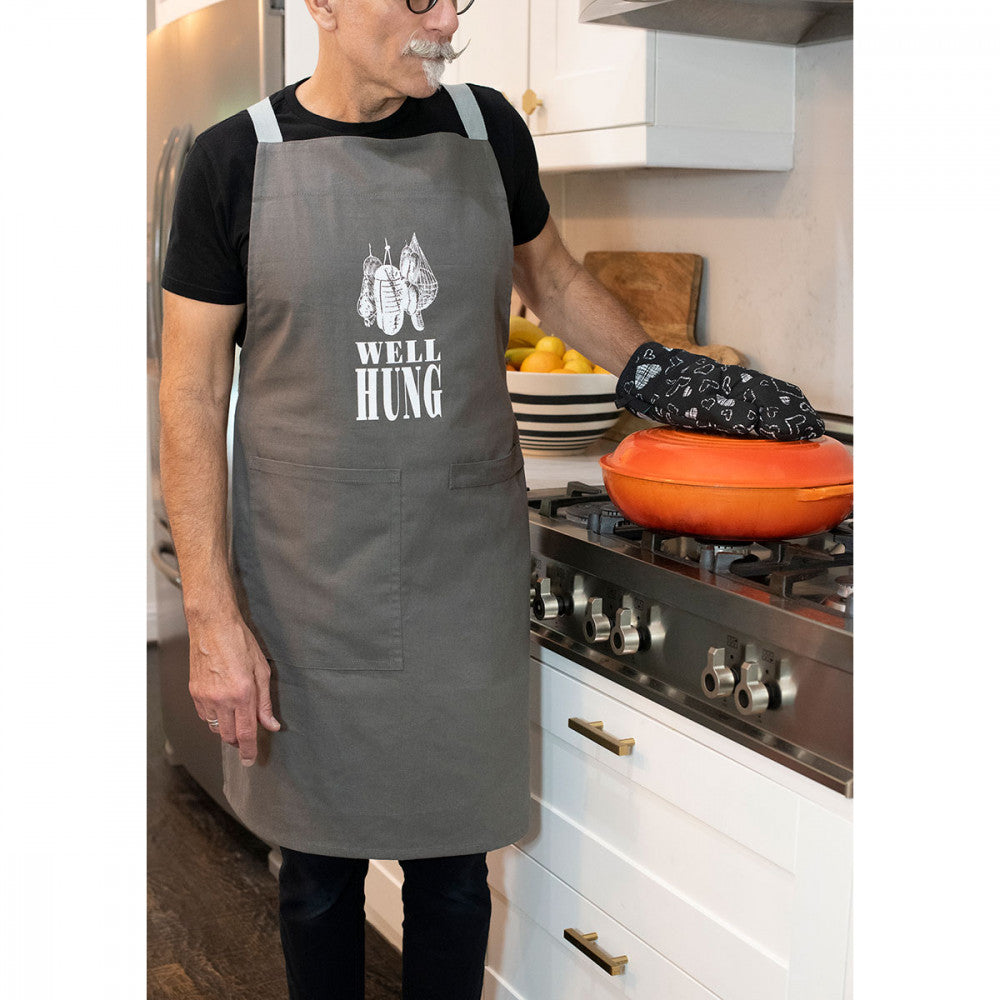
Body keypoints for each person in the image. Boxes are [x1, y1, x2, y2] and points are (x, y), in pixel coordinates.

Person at [158, 2, 648, 997]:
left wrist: (662, 372)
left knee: (455, 870)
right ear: (325, 7)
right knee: (319, 879)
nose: (443, 20)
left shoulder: (487, 132)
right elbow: (190, 392)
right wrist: (211, 616)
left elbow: (550, 284)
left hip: (459, 571)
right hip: (306, 580)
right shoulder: (234, 159)